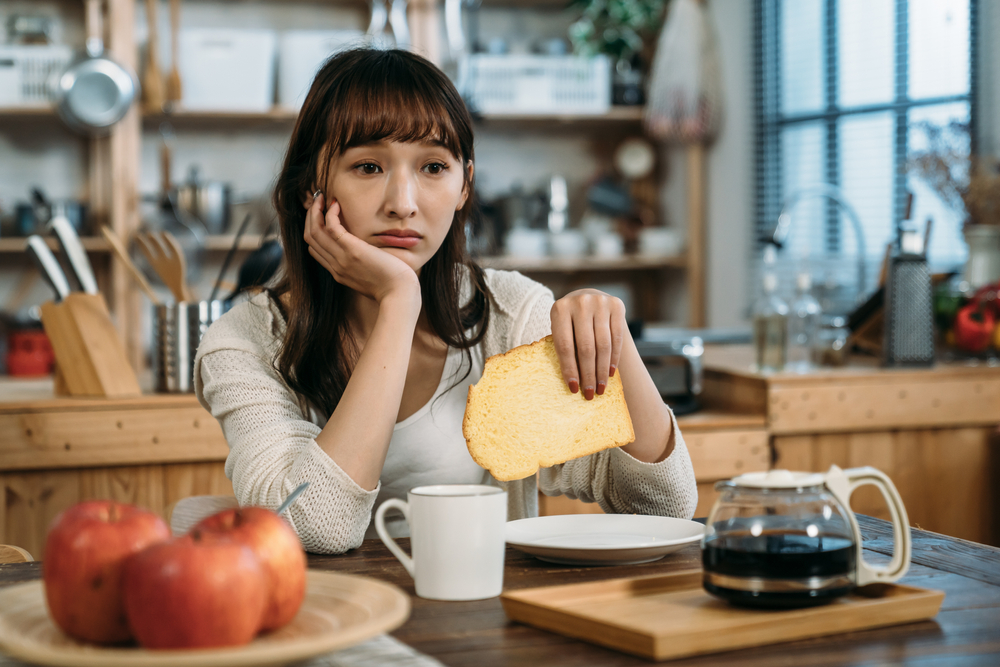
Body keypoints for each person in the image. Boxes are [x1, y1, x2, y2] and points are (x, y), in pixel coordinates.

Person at [194, 48, 697, 554]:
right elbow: (312, 525)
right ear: (311, 188)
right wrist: (398, 301)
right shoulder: (245, 342)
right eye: (368, 166)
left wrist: (615, 338)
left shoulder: (510, 315)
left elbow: (662, 508)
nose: (403, 202)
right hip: (328, 623)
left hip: (483, 623)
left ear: (464, 186)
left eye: (433, 166)